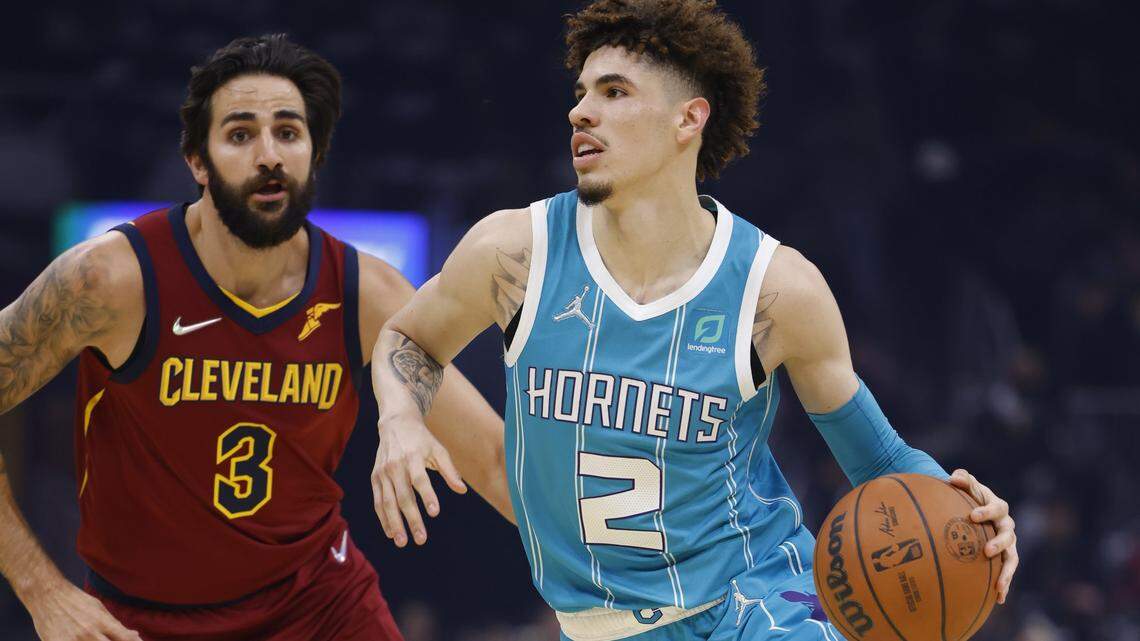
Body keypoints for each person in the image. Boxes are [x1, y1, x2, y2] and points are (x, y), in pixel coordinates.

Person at [370, 2, 1018, 640]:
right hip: (599, 625)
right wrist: (398, 418)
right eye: (580, 93)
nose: (580, 110)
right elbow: (407, 337)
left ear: (689, 118)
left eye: (614, 91)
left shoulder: (775, 289)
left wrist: (969, 517)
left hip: (757, 605)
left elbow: (880, 459)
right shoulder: (513, 253)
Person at [0, 34, 510, 641]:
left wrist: (621, 582)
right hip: (140, 617)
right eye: (241, 135)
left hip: (320, 606)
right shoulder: (110, 280)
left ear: (314, 153)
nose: (269, 155)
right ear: (197, 160)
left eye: (288, 133)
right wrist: (40, 589)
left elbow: (496, 460)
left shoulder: (365, 292)